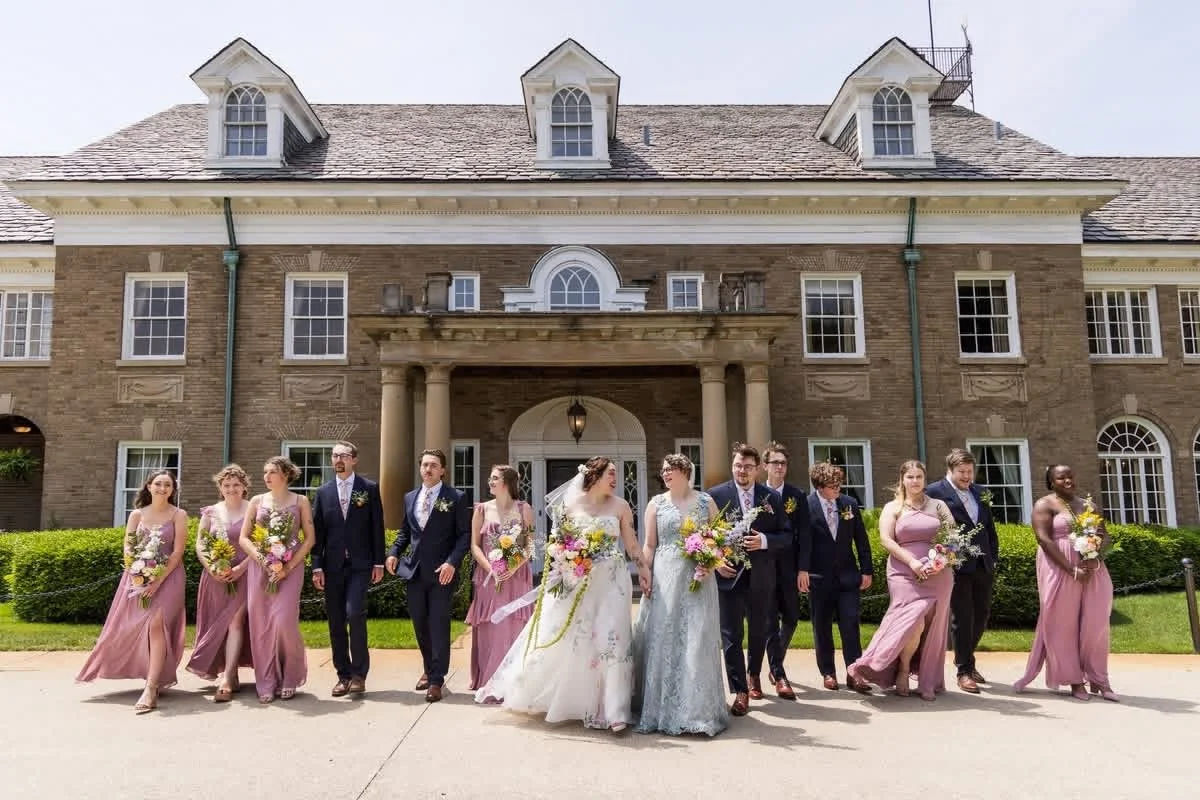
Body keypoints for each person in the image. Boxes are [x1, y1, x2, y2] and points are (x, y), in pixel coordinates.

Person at [476, 456, 650, 732]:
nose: (615, 479)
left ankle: (614, 710)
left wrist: (643, 572)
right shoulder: (570, 504)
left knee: (611, 637)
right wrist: (567, 558)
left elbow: (632, 545)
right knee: (573, 638)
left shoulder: (621, 506)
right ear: (594, 476)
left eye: (616, 474)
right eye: (611, 474)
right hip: (576, 579)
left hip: (612, 581)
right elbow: (558, 543)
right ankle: (568, 698)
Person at [76, 469, 188, 714]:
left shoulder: (179, 515)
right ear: (149, 486)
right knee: (135, 627)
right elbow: (128, 547)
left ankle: (151, 687)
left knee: (156, 626)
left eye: (167, 485)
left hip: (168, 578)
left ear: (173, 489)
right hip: (137, 577)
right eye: (158, 484)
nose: (162, 488)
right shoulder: (136, 515)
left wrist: (157, 581)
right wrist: (137, 574)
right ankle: (147, 674)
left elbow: (178, 552)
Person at [632, 453, 729, 736]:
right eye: (663, 470)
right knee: (666, 638)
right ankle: (663, 710)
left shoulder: (705, 502)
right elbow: (649, 544)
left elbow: (719, 537)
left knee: (697, 639)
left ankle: (698, 711)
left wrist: (714, 559)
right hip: (666, 577)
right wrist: (644, 571)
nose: (665, 474)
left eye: (670, 469)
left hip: (699, 577)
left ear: (685, 471)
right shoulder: (656, 504)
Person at [848, 460, 953, 701]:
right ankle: (903, 669)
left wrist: (939, 562)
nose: (915, 481)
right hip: (903, 572)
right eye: (910, 477)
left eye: (919, 477)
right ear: (902, 480)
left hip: (938, 575)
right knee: (912, 622)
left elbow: (953, 538)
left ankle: (928, 681)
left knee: (934, 628)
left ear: (925, 479)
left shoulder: (939, 506)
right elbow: (886, 540)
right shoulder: (893, 507)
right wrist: (913, 562)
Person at [1014, 464, 1117, 702]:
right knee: (1063, 623)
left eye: (1070, 475)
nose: (1068, 480)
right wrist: (1070, 568)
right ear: (1051, 482)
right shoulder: (1045, 504)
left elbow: (1104, 534)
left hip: (1091, 568)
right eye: (1061, 478)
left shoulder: (1087, 505)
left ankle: (1099, 679)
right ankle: (1074, 680)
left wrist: (1096, 554)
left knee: (1096, 621)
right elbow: (1043, 539)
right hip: (1059, 568)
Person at [706, 443, 790, 716]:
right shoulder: (715, 496)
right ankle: (740, 690)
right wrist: (717, 562)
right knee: (731, 634)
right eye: (738, 466)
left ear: (758, 469)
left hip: (761, 576)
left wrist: (764, 540)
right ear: (733, 466)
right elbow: (703, 537)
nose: (742, 471)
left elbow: (786, 536)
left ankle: (754, 673)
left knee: (760, 630)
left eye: (748, 467)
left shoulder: (771, 498)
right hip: (728, 575)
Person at [386, 448, 471, 703]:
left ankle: (437, 679)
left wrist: (451, 563)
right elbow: (405, 532)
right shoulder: (410, 497)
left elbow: (464, 535)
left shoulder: (455, 497)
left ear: (443, 470)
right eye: (424, 465)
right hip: (414, 571)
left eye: (433, 465)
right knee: (420, 623)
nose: (428, 469)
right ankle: (428, 667)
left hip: (441, 573)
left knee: (438, 624)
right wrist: (393, 553)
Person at [311, 440, 385, 698]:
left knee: (355, 613)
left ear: (354, 459)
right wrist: (317, 567)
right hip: (332, 567)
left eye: (343, 455)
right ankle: (342, 675)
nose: (338, 460)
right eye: (334, 456)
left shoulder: (369, 489)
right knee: (335, 621)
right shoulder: (323, 493)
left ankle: (359, 674)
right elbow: (317, 534)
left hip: (360, 565)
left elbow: (377, 526)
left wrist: (379, 562)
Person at [240, 456, 316, 704]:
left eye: (271, 472)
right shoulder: (256, 501)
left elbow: (309, 539)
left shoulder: (300, 501)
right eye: (265, 472)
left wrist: (287, 567)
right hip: (260, 569)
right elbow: (245, 538)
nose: (266, 477)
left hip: (290, 570)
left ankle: (290, 677)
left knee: (284, 622)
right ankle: (266, 680)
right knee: (261, 626)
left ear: (285, 474)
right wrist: (264, 560)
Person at [925, 448, 1000, 693]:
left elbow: (988, 528)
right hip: (955, 564)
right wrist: (941, 555)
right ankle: (964, 670)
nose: (967, 476)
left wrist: (994, 557)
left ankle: (968, 658)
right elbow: (928, 527)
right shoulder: (934, 492)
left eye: (970, 471)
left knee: (982, 615)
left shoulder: (981, 492)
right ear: (950, 470)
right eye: (962, 472)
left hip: (983, 563)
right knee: (962, 617)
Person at [799, 461, 873, 693]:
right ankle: (828, 673)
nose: (837, 490)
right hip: (818, 577)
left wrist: (867, 570)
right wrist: (802, 571)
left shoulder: (849, 504)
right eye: (832, 486)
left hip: (848, 577)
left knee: (850, 624)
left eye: (839, 485)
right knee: (822, 627)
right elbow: (802, 543)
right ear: (819, 487)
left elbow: (861, 540)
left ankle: (855, 673)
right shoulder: (806, 506)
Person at [186, 464, 254, 701]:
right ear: (220, 487)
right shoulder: (211, 512)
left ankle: (227, 676)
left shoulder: (253, 509)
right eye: (226, 485)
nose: (231, 489)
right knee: (221, 623)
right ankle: (231, 673)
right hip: (215, 576)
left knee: (235, 620)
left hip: (245, 574)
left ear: (244, 487)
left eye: (236, 485)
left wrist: (240, 567)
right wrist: (212, 567)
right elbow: (200, 544)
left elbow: (260, 545)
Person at [467, 464, 535, 696]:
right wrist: (492, 569)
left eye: (494, 478)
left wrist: (512, 565)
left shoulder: (524, 509)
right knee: (492, 627)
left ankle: (514, 684)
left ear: (506, 482)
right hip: (488, 577)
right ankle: (490, 682)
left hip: (516, 578)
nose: (490, 482)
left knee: (513, 626)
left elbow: (529, 545)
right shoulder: (481, 510)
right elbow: (475, 545)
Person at [761, 440, 811, 700]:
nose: (780, 467)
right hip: (765, 566)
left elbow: (805, 534)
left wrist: (803, 568)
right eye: (775, 462)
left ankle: (774, 662)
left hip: (791, 567)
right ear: (765, 465)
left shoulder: (797, 495)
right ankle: (778, 673)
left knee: (791, 617)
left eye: (783, 463)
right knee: (769, 620)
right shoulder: (758, 494)